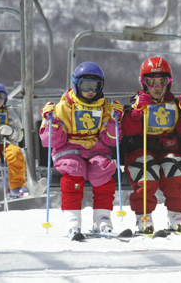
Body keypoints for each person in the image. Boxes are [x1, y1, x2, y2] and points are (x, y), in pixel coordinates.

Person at [39, 61, 123, 238]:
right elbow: (49, 142)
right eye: (86, 85)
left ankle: (102, 216)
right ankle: (72, 218)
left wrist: (115, 122)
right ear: (76, 85)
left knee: (103, 172)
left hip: (96, 150)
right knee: (73, 172)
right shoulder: (62, 108)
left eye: (95, 85)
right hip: (69, 151)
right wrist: (52, 124)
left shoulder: (106, 108)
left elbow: (111, 141)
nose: (91, 90)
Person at [122, 57, 181, 233]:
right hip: (141, 150)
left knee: (174, 169)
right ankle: (144, 216)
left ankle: (176, 214)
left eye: (161, 82)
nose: (157, 87)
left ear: (169, 82)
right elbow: (127, 130)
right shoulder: (137, 104)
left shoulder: (174, 104)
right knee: (147, 170)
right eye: (151, 82)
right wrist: (135, 114)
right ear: (144, 83)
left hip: (168, 149)